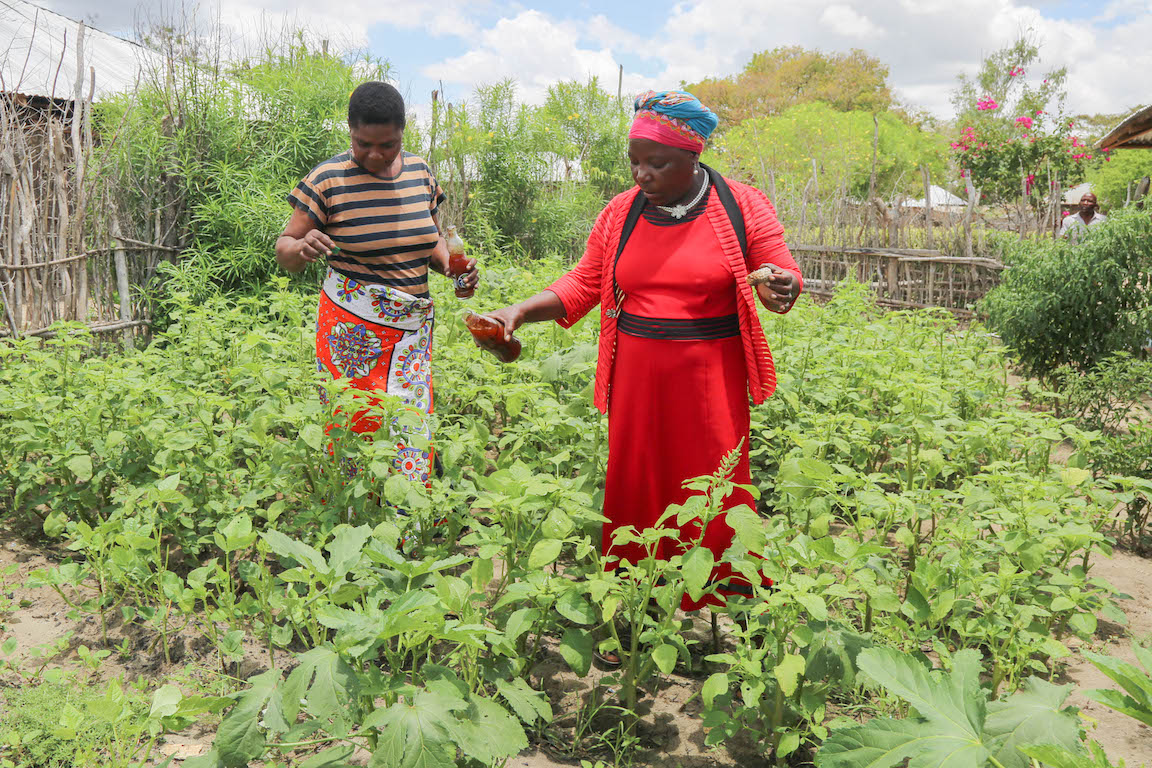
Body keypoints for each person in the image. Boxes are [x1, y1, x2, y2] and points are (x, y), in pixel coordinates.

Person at [483, 90, 803, 613]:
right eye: (633, 162)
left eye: (657, 163)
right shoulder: (620, 214)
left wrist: (779, 284)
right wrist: (517, 311)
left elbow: (779, 268)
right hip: (636, 372)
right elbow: (584, 283)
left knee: (715, 486)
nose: (641, 175)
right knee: (635, 482)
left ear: (693, 157)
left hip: (710, 375)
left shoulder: (742, 204)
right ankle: (633, 605)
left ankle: (718, 609)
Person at [275, 81, 478, 488]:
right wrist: (302, 247)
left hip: (412, 333)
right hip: (353, 335)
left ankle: (411, 529)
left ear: (402, 132)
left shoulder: (420, 172)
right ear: (350, 130)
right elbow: (284, 249)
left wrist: (455, 268)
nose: (375, 155)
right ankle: (358, 524)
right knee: (357, 428)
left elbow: (430, 243)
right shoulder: (328, 180)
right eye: (362, 143)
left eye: (387, 145)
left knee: (410, 425)